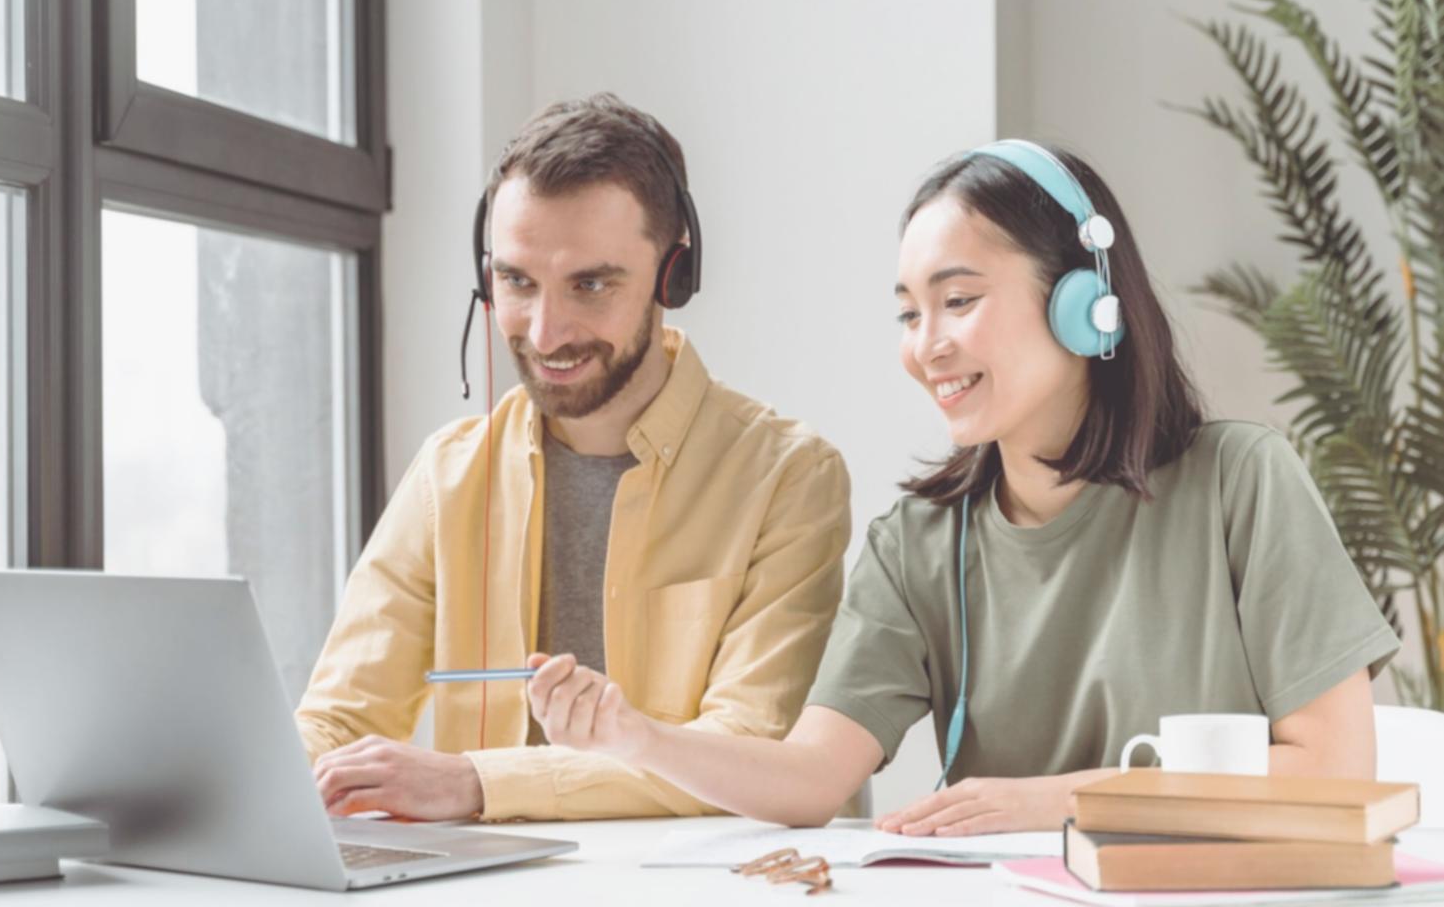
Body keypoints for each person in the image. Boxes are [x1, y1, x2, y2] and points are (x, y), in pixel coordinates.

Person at [522, 139, 1401, 836]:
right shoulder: (916, 543)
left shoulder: (1240, 482)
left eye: (958, 300)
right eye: (909, 312)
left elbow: (1333, 768)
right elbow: (811, 778)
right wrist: (635, 736)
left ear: (1083, 303)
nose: (925, 345)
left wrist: (1058, 799)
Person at [297, 93, 851, 822]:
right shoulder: (449, 474)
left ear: (672, 275)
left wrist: (476, 783)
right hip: (491, 879)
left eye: (590, 285)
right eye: (517, 282)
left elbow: (747, 750)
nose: (545, 332)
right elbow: (341, 718)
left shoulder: (788, 477)